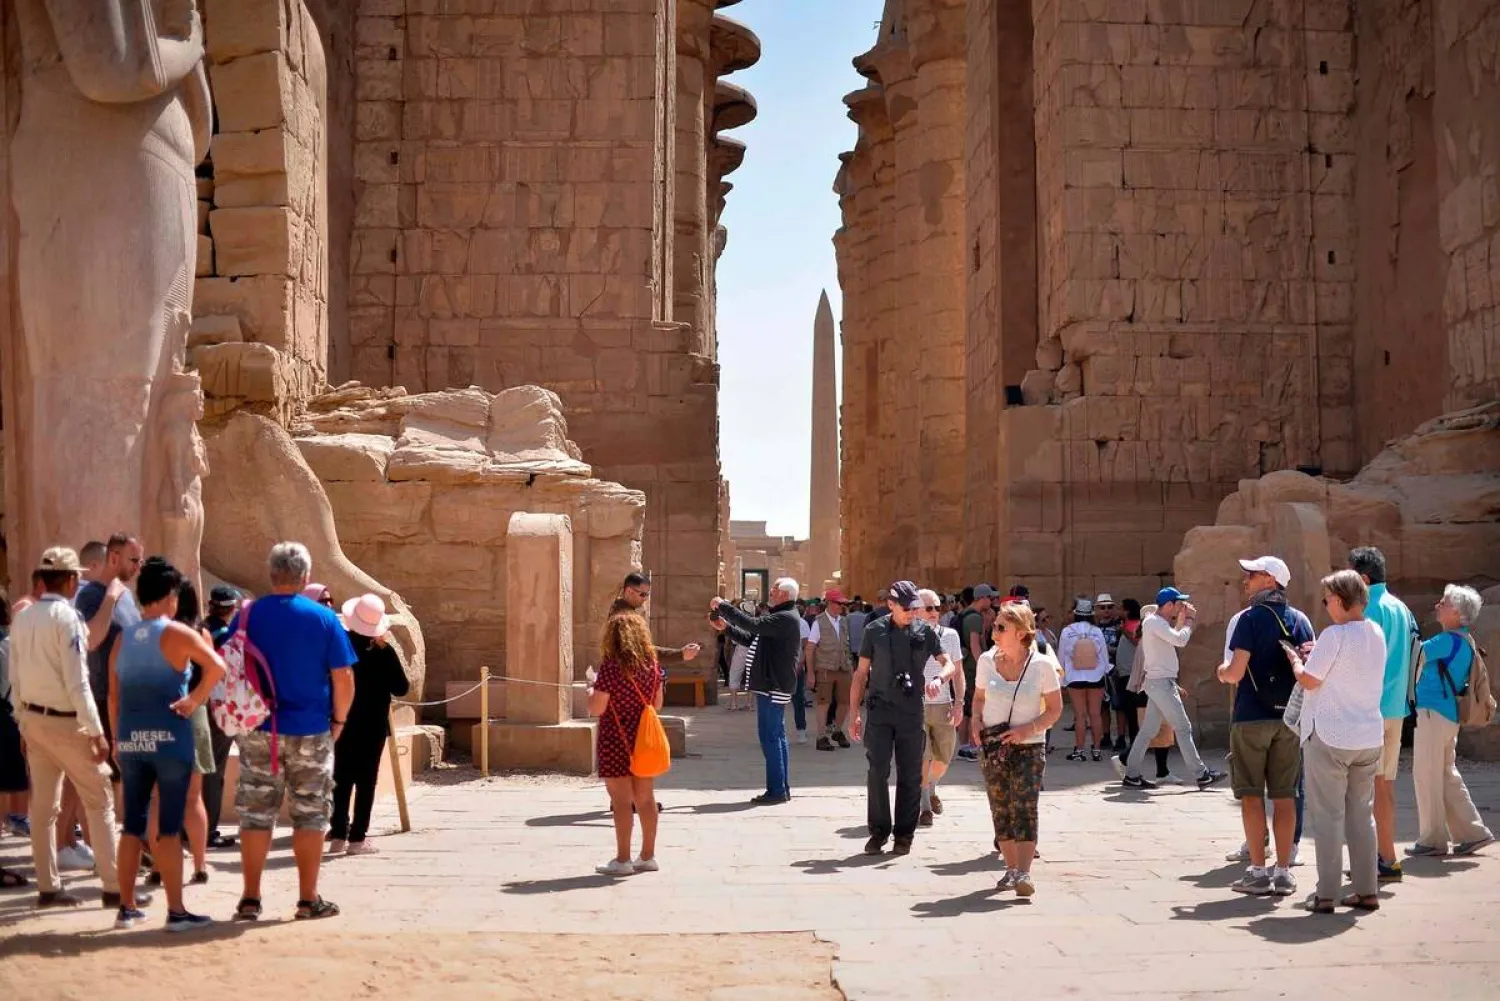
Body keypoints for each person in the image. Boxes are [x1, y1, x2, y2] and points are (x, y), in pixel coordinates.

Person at [230, 542, 356, 922]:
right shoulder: (323, 619)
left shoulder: (248, 616)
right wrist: (339, 721)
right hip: (310, 729)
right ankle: (307, 898)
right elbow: (343, 677)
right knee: (311, 815)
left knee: (255, 814)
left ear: (271, 574)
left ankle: (250, 898)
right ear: (305, 577)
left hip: (258, 730)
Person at [107, 557, 226, 930]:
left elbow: (113, 694)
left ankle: (126, 907)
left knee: (132, 824)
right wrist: (195, 700)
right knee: (171, 827)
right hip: (171, 741)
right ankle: (176, 911)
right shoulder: (178, 633)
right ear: (172, 596)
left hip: (131, 739)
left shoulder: (123, 638)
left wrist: (115, 737)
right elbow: (217, 668)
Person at [10, 547, 128, 909]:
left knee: (43, 810)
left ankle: (48, 887)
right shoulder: (68, 618)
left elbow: (14, 677)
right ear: (72, 579)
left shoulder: (23, 618)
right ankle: (112, 887)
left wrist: (22, 724)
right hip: (66, 723)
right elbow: (78, 683)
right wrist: (96, 732)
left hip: (33, 720)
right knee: (100, 800)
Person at [1286, 570, 1386, 911]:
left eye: (1328, 599)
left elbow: (1311, 681)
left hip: (1330, 734)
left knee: (1328, 816)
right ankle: (1366, 889)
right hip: (1367, 734)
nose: (1325, 605)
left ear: (1340, 601)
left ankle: (1326, 892)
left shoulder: (1334, 634)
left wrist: (1297, 663)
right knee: (1362, 815)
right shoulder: (1376, 632)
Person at [1217, 555, 1314, 896]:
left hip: (1252, 716)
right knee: (1286, 796)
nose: (1246, 581)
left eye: (1253, 575)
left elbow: (1236, 672)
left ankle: (1258, 872)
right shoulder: (1301, 620)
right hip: (1289, 719)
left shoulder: (1249, 619)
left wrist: (1222, 671)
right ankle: (1284, 872)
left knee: (1252, 796)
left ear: (1271, 581)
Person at [848, 581, 960, 856]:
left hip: (911, 711)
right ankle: (878, 832)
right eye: (906, 607)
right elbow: (861, 674)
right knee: (877, 771)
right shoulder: (874, 631)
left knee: (910, 773)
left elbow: (947, 664)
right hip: (880, 710)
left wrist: (938, 678)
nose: (911, 613)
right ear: (891, 604)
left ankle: (904, 835)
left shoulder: (924, 631)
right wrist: (854, 714)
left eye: (914, 607)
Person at [971, 601, 1063, 897]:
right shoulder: (986, 661)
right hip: (994, 746)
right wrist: (975, 721)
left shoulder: (1042, 666)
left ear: (1022, 633)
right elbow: (980, 698)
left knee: (1024, 807)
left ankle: (1024, 872)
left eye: (1001, 628)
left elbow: (1054, 710)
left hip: (1029, 746)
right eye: (994, 626)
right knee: (1001, 808)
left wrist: (1027, 729)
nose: (993, 632)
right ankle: (1010, 869)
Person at [1407, 585, 1495, 858]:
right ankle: (1474, 833)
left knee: (1427, 776)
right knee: (1445, 776)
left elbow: (1413, 654)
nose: (1437, 606)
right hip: (1446, 715)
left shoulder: (1446, 641)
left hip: (1433, 713)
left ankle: (1432, 840)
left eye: (1443, 603)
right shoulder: (1465, 641)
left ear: (1456, 612)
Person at [1347, 547, 1417, 883]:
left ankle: (1383, 858)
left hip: (1369, 711)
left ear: (1362, 577)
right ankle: (1387, 858)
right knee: (1384, 785)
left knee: (1367, 790)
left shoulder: (1369, 608)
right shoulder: (1401, 607)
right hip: (1395, 709)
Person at [1116, 588, 1227, 790]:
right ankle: (1201, 775)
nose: (1181, 606)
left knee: (1148, 731)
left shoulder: (1155, 623)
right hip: (1161, 683)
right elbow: (1180, 640)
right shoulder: (1155, 622)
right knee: (1183, 728)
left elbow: (1172, 637)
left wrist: (1181, 620)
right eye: (1178, 603)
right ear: (1168, 605)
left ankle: (1131, 774)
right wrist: (1190, 620)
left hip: (1160, 682)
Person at [329, 594, 410, 856]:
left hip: (342, 721)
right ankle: (357, 838)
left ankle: (338, 833)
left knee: (340, 779)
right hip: (372, 726)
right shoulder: (384, 652)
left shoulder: (340, 646)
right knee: (366, 782)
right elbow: (402, 687)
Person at [710, 581, 801, 804]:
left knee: (770, 738)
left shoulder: (785, 617)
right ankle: (780, 787)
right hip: (772, 684)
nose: (771, 592)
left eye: (775, 589)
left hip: (773, 685)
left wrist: (724, 607)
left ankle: (777, 790)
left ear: (785, 594)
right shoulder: (780, 617)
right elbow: (753, 638)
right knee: (776, 737)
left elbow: (752, 625)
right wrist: (727, 629)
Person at [589, 613, 666, 876]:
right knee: (646, 798)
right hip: (644, 737)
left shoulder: (611, 667)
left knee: (621, 800)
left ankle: (622, 860)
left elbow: (597, 708)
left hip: (615, 737)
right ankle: (647, 855)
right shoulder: (652, 665)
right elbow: (656, 704)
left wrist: (591, 690)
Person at [74, 533, 143, 791]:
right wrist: (110, 598)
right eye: (134, 559)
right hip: (105, 700)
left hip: (130, 698)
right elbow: (91, 640)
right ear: (114, 557)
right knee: (106, 783)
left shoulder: (125, 594)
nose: (138, 566)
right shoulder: (91, 595)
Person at [916, 589, 964, 827]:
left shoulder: (950, 635)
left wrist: (959, 703)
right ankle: (924, 804)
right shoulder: (909, 636)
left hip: (944, 704)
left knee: (943, 758)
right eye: (929, 608)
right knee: (922, 757)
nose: (935, 612)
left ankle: (932, 786)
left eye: (937, 607)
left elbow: (958, 671)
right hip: (917, 705)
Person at [201, 585, 240, 849]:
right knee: (214, 772)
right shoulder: (225, 636)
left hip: (200, 705)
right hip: (220, 708)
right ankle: (208, 832)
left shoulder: (200, 629)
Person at [610, 571, 702, 667]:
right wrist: (680, 654)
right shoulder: (623, 617)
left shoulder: (621, 610)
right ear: (629, 591)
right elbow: (640, 651)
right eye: (642, 594)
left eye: (647, 594)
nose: (645, 599)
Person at [1058, 598, 1109, 760]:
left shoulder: (1067, 631)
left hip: (1075, 677)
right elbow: (1104, 657)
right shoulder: (1097, 631)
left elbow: (1061, 656)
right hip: (1096, 677)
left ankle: (1079, 750)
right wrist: (1104, 671)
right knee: (1095, 714)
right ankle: (1097, 751)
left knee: (1080, 715)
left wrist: (1061, 678)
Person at [806, 589, 853, 751]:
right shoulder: (819, 622)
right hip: (825, 668)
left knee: (845, 702)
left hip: (843, 667)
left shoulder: (844, 621)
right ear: (831, 604)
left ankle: (838, 730)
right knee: (823, 702)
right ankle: (821, 736)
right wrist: (810, 673)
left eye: (844, 604)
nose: (842, 606)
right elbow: (810, 648)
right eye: (840, 603)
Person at [955, 585, 996, 761]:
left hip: (966, 667)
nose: (992, 602)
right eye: (990, 598)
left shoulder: (965, 614)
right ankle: (969, 746)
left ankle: (966, 746)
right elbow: (975, 644)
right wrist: (984, 666)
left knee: (967, 709)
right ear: (982, 598)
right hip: (972, 669)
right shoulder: (974, 618)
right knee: (971, 709)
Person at [1111, 599, 1142, 753]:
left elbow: (1137, 642)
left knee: (1132, 710)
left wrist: (1125, 632)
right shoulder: (1126, 625)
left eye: (1121, 609)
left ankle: (1135, 741)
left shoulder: (1135, 625)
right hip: (1123, 672)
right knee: (1125, 708)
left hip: (1131, 673)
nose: (1118, 611)